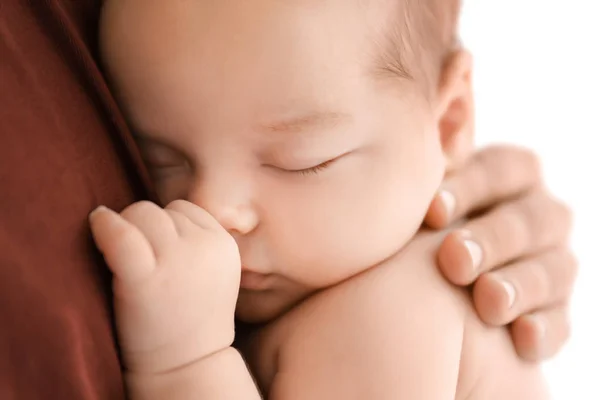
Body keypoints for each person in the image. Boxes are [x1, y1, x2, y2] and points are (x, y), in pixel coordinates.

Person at [0, 0, 575, 398]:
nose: (213, 208)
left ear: (449, 122)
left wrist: (185, 361)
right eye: (161, 160)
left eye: (300, 161)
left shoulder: (393, 315)